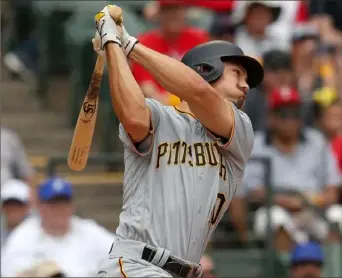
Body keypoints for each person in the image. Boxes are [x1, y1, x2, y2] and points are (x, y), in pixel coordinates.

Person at [92, 4, 263, 277]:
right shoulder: (160, 116)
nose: (245, 86)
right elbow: (135, 119)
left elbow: (197, 90)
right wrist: (113, 45)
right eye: (237, 74)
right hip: (138, 264)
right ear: (208, 69)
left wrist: (126, 43)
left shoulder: (240, 130)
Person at [244, 87, 342, 252]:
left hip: (315, 210)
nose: (290, 120)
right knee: (273, 219)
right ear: (271, 117)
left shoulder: (316, 141)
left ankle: (331, 270)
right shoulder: (258, 144)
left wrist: (319, 200)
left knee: (338, 216)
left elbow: (332, 187)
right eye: (283, 114)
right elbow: (252, 190)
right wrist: (283, 201)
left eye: (295, 114)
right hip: (278, 208)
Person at [1, 177, 115, 277]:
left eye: (64, 203)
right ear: (40, 207)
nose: (60, 209)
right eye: (53, 204)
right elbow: (9, 271)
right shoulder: (24, 235)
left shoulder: (89, 231)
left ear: (72, 206)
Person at [131, 0, 209, 105]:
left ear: (185, 12)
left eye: (177, 9)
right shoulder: (145, 43)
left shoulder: (199, 39)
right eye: (167, 10)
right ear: (159, 14)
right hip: (160, 110)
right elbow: (147, 88)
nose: (172, 15)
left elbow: (207, 81)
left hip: (195, 107)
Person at [1, 179, 31, 246]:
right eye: (8, 204)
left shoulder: (37, 233)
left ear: (27, 207)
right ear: (2, 207)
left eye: (18, 205)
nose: (13, 209)